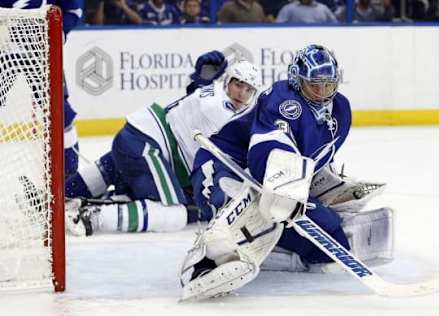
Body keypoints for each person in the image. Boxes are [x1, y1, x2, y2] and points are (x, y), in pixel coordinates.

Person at [180, 44, 392, 301]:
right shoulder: (283, 98)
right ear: (296, 79)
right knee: (226, 204)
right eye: (314, 85)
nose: (322, 93)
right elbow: (268, 148)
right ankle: (202, 264)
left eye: (328, 85)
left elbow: (316, 157)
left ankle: (267, 249)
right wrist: (286, 188)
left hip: (279, 181)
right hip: (225, 165)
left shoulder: (341, 111)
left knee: (330, 242)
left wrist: (326, 188)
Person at [65, 51, 262, 236]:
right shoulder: (222, 112)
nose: (242, 93)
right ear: (228, 81)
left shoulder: (214, 91)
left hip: (136, 138)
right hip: (150, 145)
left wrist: (198, 81)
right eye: (238, 84)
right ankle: (93, 217)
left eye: (248, 89)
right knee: (175, 214)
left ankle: (64, 193)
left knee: (115, 169)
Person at [0, 0, 84, 177]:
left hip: (42, 50)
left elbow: (74, 9)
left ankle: (69, 178)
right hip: (4, 49)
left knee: (61, 112)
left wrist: (58, 33)